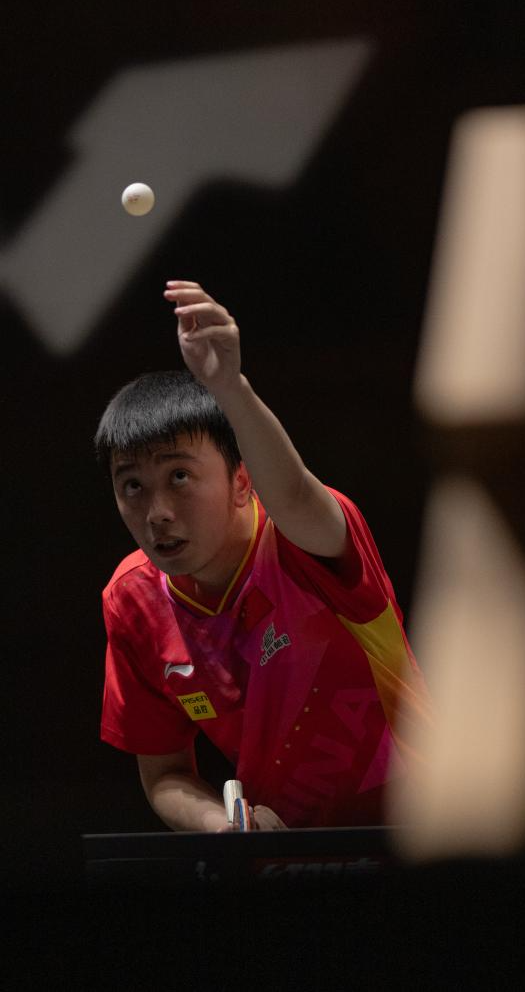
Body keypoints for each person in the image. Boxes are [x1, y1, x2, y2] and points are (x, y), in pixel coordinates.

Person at [95, 280, 432, 832]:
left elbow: (294, 494)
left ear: (241, 482)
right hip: (284, 856)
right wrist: (226, 827)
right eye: (132, 486)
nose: (156, 513)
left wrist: (228, 385)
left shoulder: (304, 538)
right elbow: (164, 774)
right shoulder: (133, 601)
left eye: (179, 477)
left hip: (424, 833)